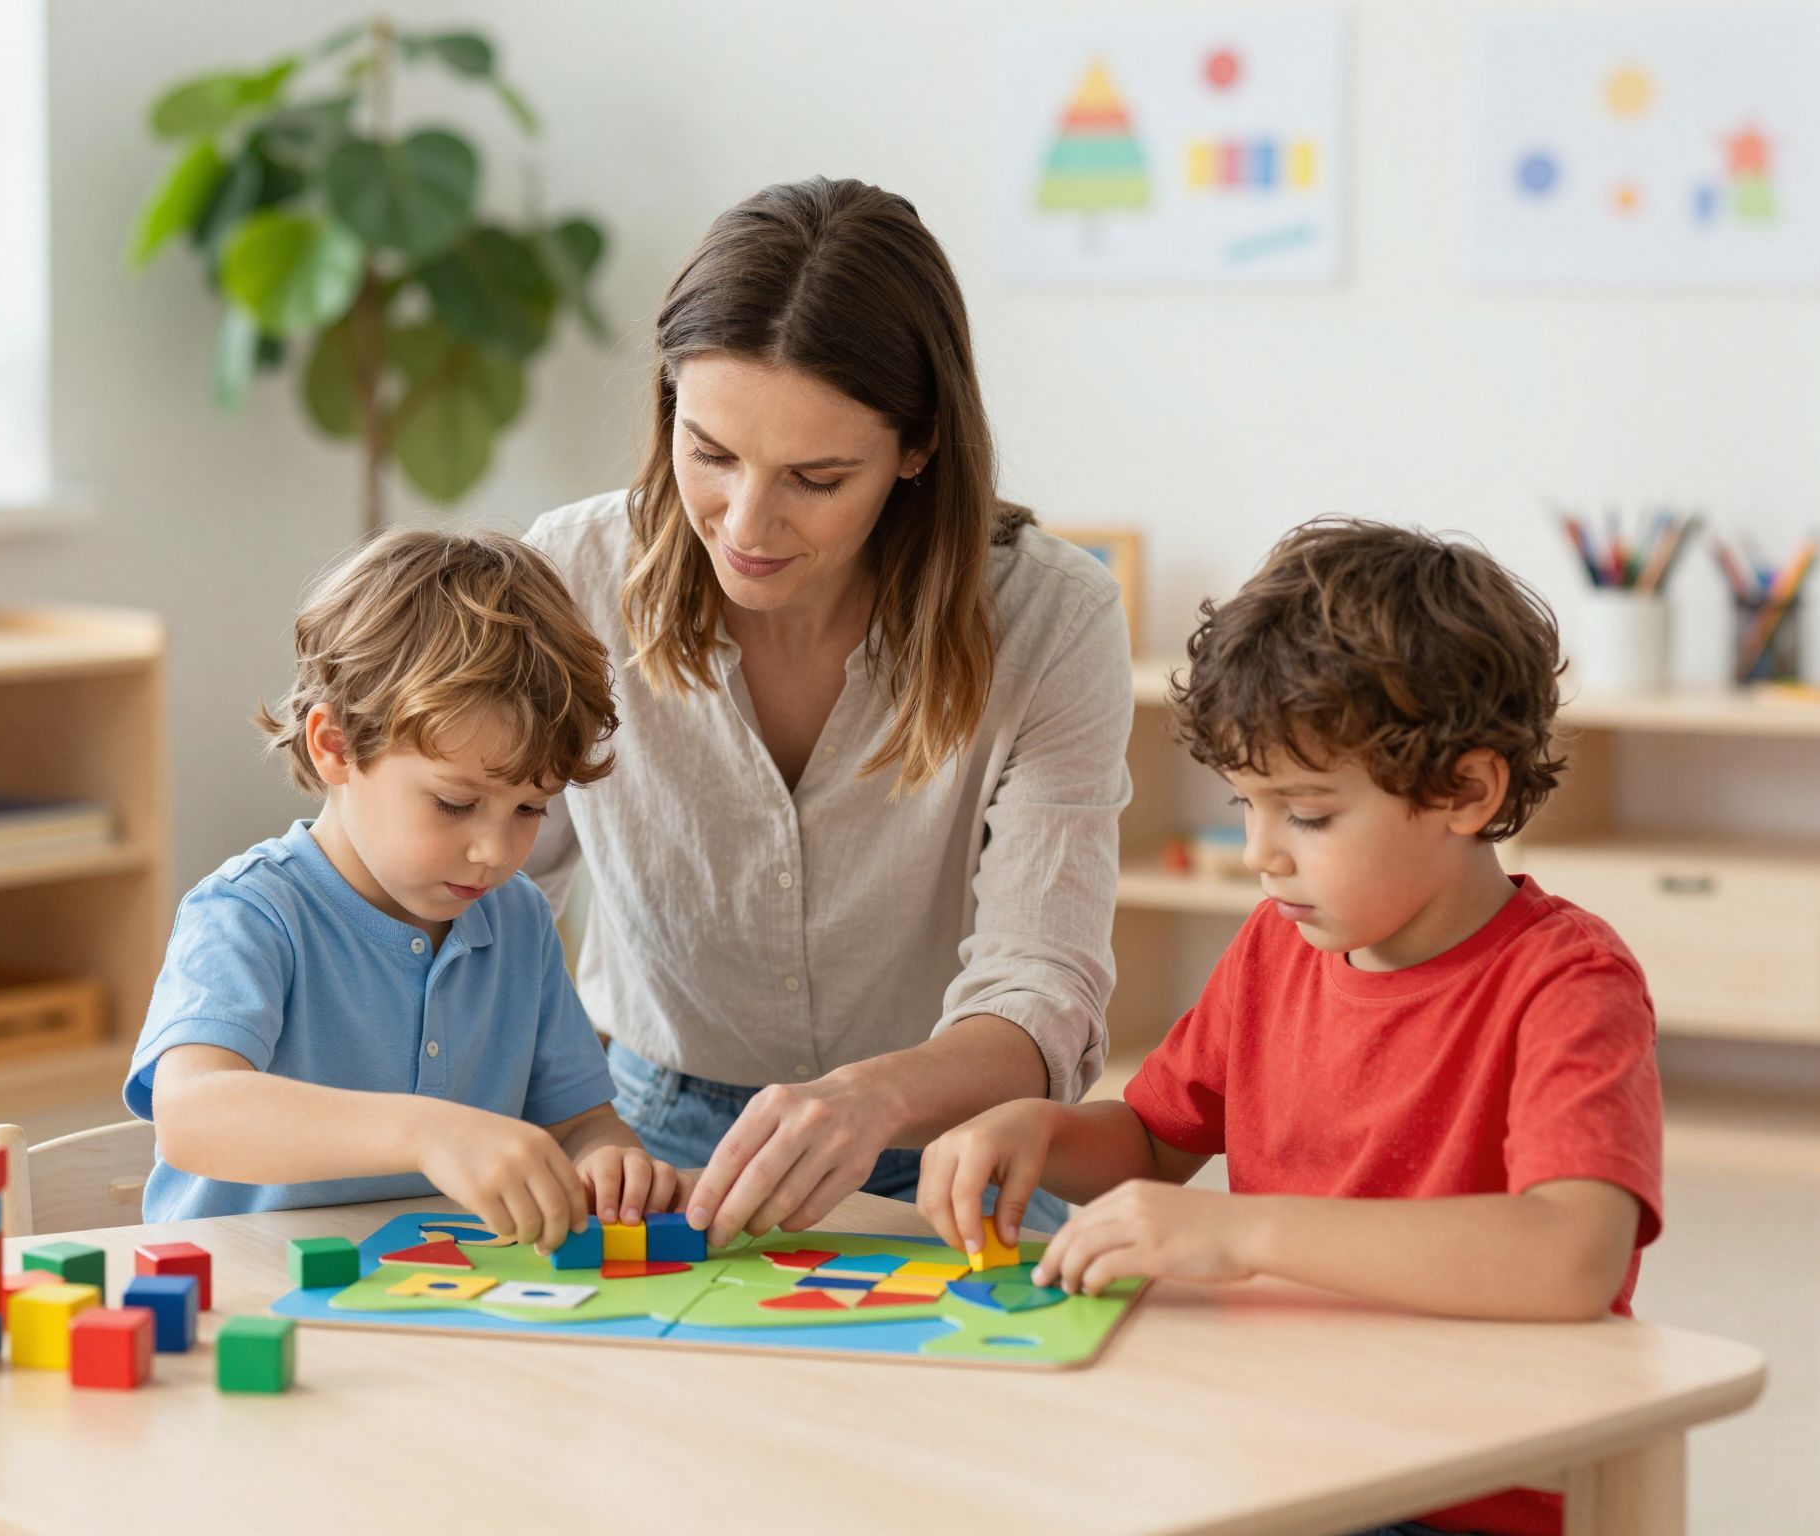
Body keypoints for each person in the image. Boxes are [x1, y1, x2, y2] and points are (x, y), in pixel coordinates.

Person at [921, 518, 1664, 1536]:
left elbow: (1570, 1254)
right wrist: (1038, 1133)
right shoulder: (1277, 950)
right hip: (1278, 1450)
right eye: (1242, 806)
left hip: (1470, 1495)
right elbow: (1151, 1139)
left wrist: (1242, 1233)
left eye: (1306, 816)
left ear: (1465, 789)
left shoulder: (1567, 983)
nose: (1259, 854)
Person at [524, 176, 1135, 1246]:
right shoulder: (572, 572)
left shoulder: (1051, 617)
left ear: (917, 446)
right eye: (709, 454)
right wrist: (559, 1121)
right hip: (641, 1139)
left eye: (816, 476)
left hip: (953, 1145)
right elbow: (492, 888)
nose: (745, 523)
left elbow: (1044, 981)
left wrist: (880, 1098)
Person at [125, 528, 677, 1251]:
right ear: (336, 746)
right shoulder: (250, 913)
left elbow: (578, 1121)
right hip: (243, 1303)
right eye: (455, 803)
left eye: (529, 810)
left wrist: (608, 1161)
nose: (494, 852)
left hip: (432, 1303)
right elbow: (194, 1115)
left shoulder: (517, 923)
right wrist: (425, 1132)